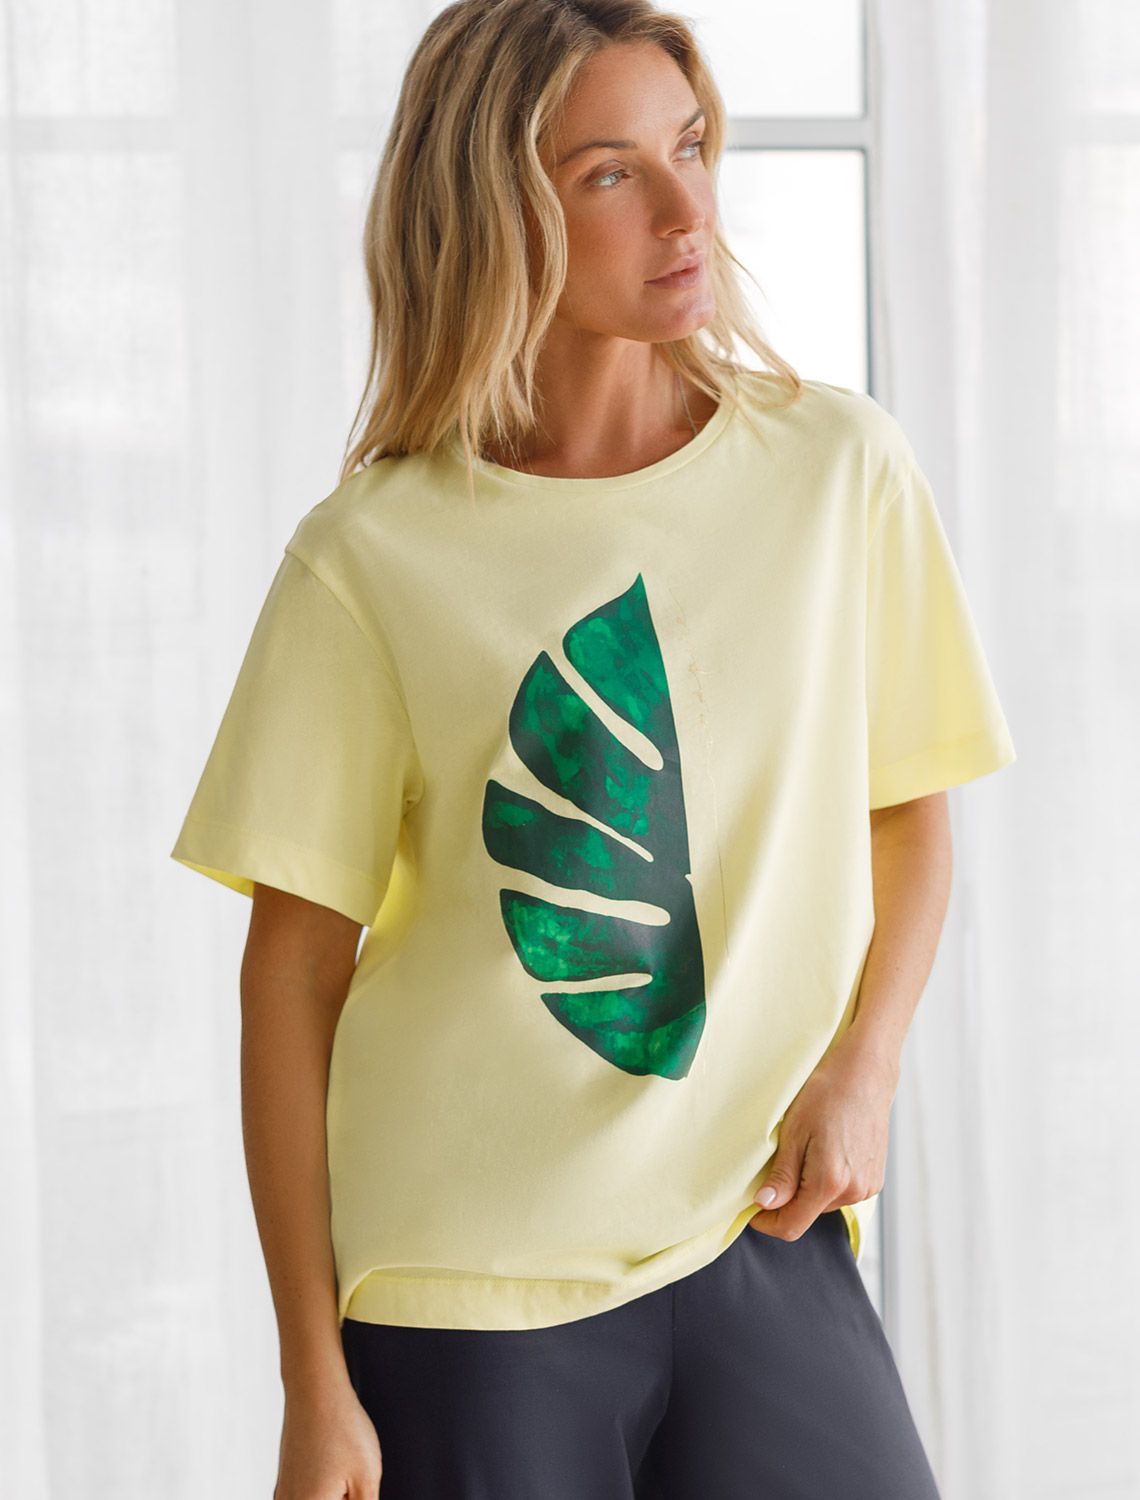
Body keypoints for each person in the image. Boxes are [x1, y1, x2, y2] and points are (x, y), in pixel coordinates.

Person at [170, 2, 1017, 1496]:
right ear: (498, 211)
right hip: (467, 1292)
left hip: (759, 1228)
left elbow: (909, 809)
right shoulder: (372, 556)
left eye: (691, 146)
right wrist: (313, 1376)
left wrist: (865, 1064)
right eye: (611, 173)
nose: (688, 210)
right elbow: (292, 976)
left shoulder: (839, 473)